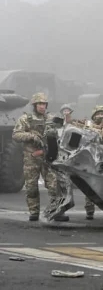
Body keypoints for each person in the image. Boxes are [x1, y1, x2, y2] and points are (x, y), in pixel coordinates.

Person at [12, 92, 69, 222]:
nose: (42, 106)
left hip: (48, 157)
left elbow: (63, 130)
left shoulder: (51, 118)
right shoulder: (26, 119)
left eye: (44, 104)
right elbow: (16, 134)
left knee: (54, 185)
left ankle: (57, 211)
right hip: (31, 158)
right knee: (31, 187)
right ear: (34, 105)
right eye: (39, 104)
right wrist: (32, 136)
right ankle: (34, 212)